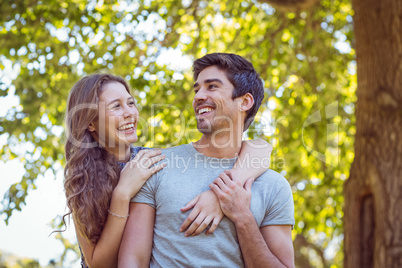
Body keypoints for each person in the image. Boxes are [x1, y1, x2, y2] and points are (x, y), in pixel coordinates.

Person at [63, 74, 273, 267]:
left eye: (130, 103)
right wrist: (122, 194)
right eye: (116, 106)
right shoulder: (82, 179)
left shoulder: (151, 159)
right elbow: (97, 263)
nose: (129, 113)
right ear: (91, 122)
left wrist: (220, 195)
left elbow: (261, 149)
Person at [119, 53, 295, 267]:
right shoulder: (157, 165)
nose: (198, 96)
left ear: (245, 101)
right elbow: (132, 260)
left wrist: (242, 216)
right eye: (197, 89)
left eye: (212, 87)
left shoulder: (274, 187)